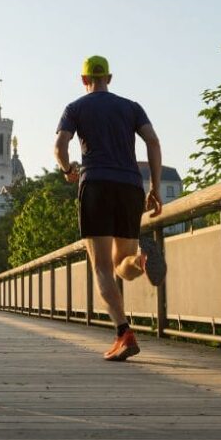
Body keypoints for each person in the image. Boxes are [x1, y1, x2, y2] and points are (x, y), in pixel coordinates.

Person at [54, 55, 166, 362]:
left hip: (97, 185)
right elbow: (153, 142)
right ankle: (142, 260)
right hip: (131, 187)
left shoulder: (75, 108)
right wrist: (155, 187)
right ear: (110, 78)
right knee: (123, 265)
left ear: (83, 80)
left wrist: (67, 169)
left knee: (102, 267)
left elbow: (60, 146)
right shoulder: (131, 107)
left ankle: (123, 333)